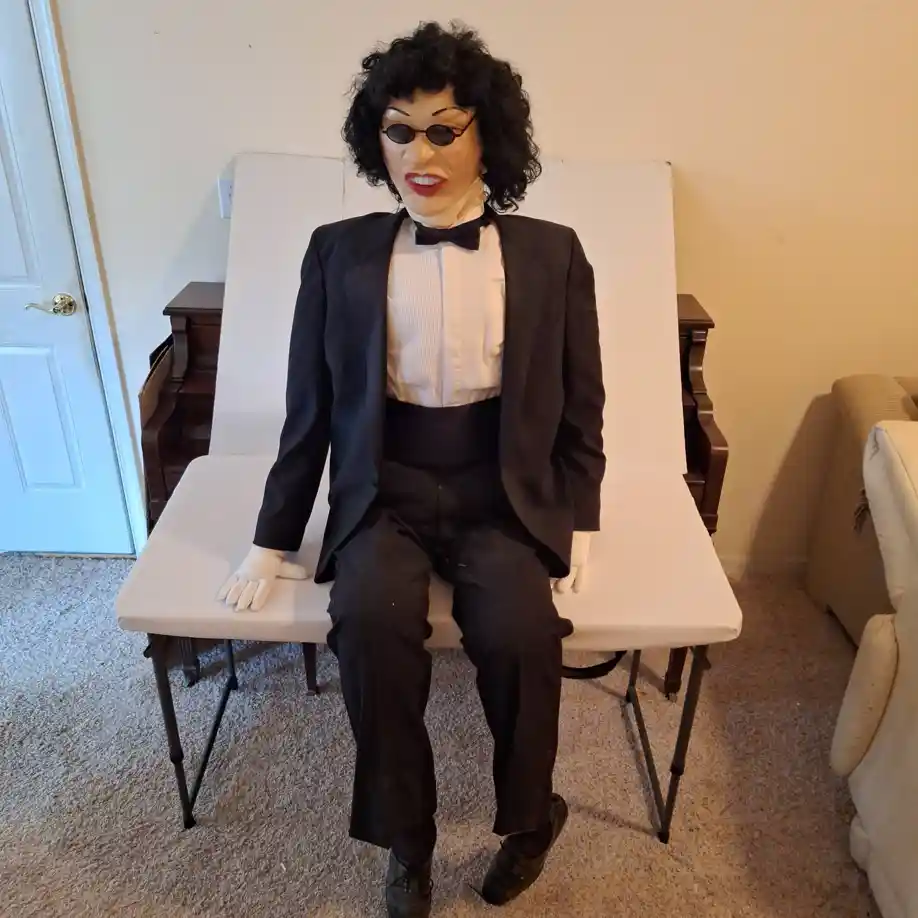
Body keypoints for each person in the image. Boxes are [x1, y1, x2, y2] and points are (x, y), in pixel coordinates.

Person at [217, 20, 605, 917]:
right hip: (384, 488)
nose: (419, 155)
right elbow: (310, 409)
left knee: (520, 632)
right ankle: (407, 837)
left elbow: (582, 401)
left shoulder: (551, 253)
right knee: (369, 622)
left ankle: (532, 818)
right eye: (399, 131)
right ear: (375, 139)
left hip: (498, 491)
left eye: (443, 130)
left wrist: (579, 514)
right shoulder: (339, 250)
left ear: (486, 136)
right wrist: (272, 539)